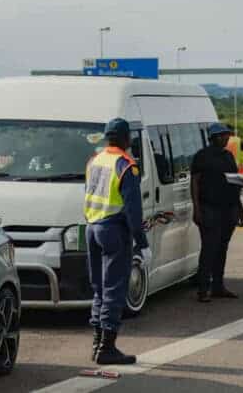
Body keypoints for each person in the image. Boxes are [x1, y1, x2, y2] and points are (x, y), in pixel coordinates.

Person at [84, 118, 152, 365]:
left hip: (91, 227)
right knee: (114, 288)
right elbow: (134, 212)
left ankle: (97, 343)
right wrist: (142, 243)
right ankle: (107, 348)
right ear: (126, 139)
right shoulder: (126, 165)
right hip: (113, 230)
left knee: (99, 289)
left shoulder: (95, 160)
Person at [191, 123, 243, 303]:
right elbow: (195, 183)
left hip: (228, 208)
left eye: (227, 135)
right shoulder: (202, 156)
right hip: (209, 209)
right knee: (209, 248)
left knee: (222, 248)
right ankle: (203, 288)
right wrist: (197, 209)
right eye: (222, 136)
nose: (226, 138)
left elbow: (234, 182)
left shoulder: (228, 156)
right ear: (213, 138)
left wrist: (240, 208)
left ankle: (218, 286)